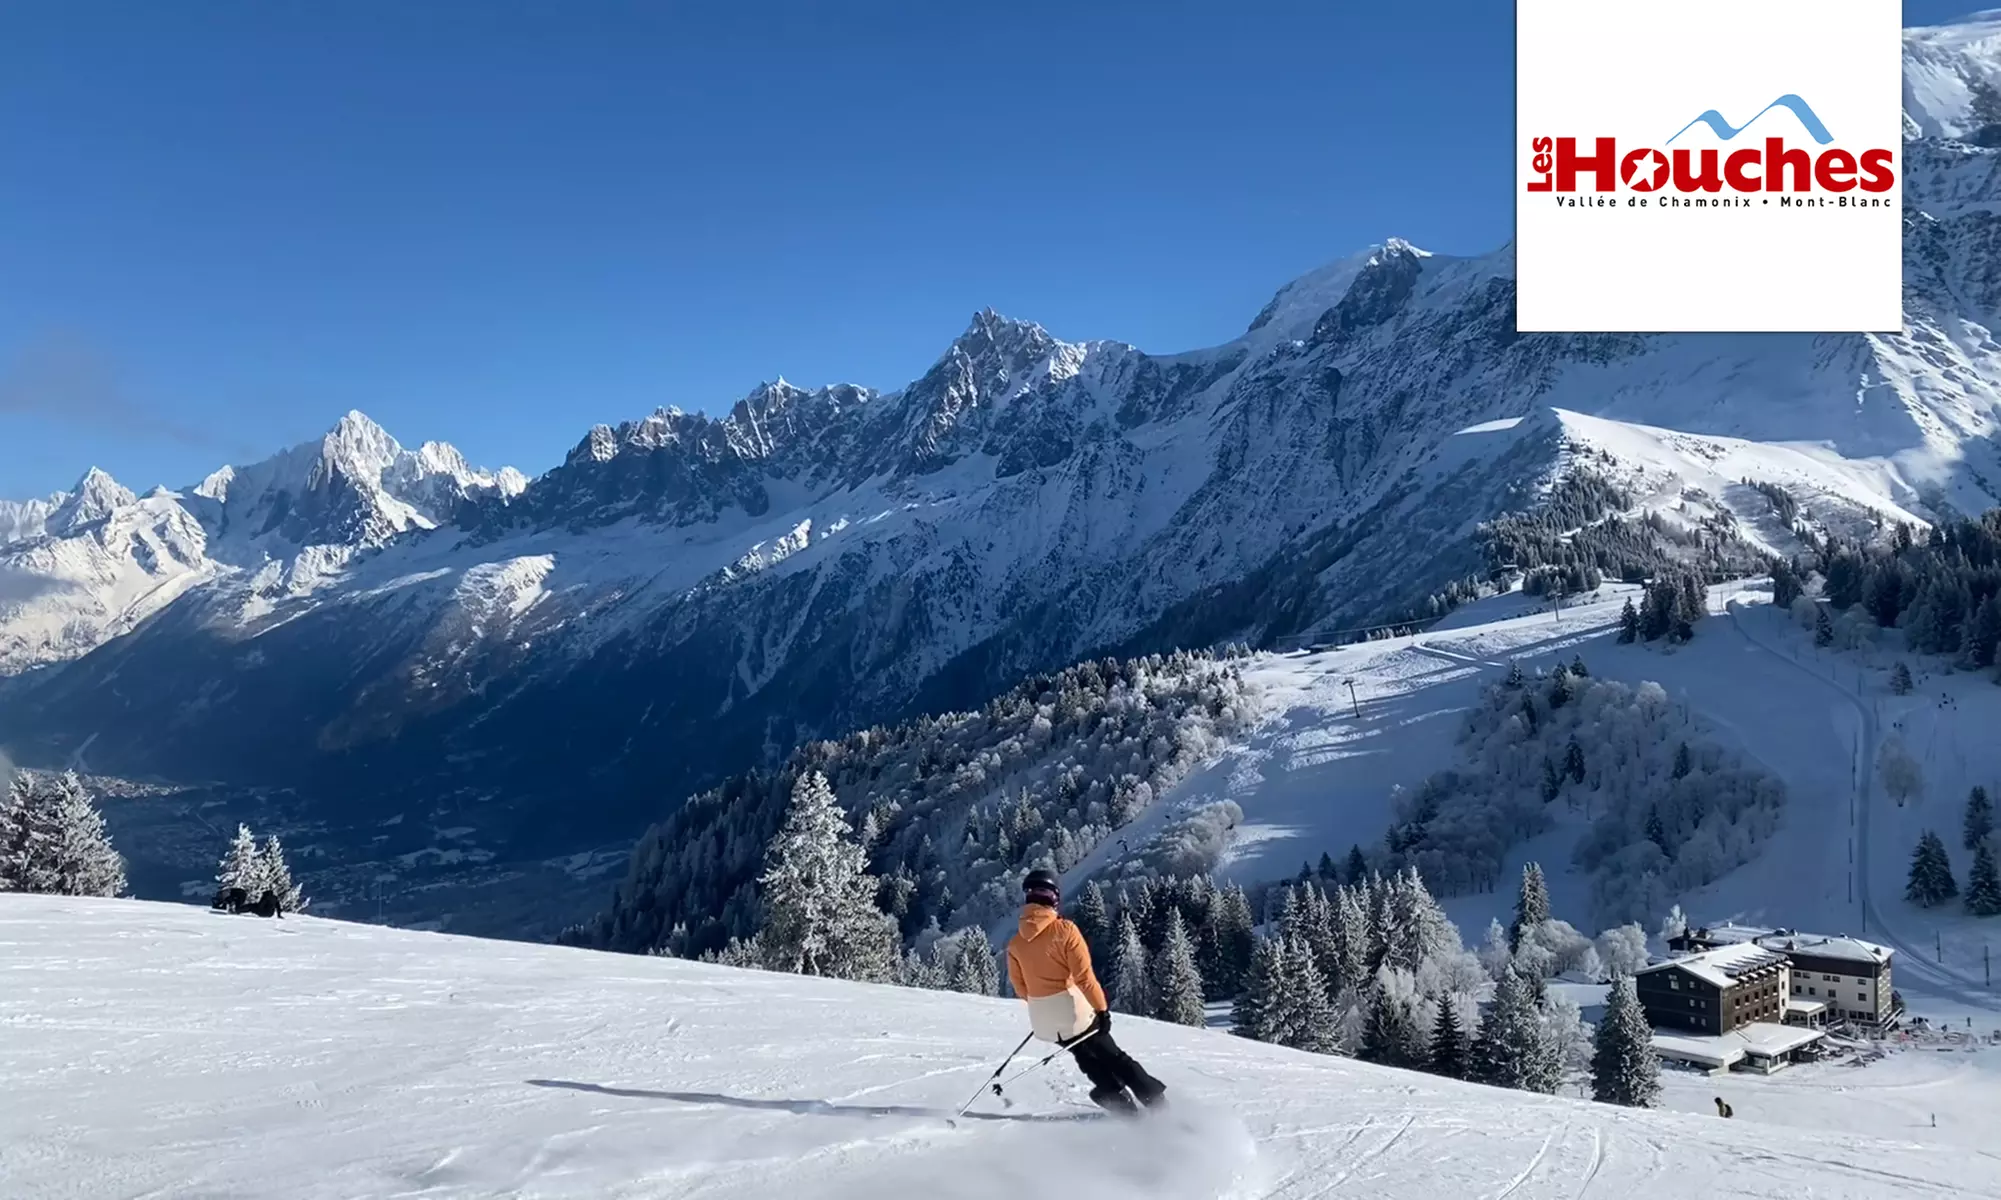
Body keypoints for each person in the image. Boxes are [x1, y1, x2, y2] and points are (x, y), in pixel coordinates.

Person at [1005, 868, 1166, 1116]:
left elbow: (1021, 989)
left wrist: (1045, 1003)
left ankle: (1120, 1103)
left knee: (1086, 1056)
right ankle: (1159, 1107)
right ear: (1054, 899)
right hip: (1075, 1014)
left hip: (1044, 1022)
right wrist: (1102, 1010)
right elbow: (1084, 978)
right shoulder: (1065, 930)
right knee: (1114, 1057)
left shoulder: (1015, 944)